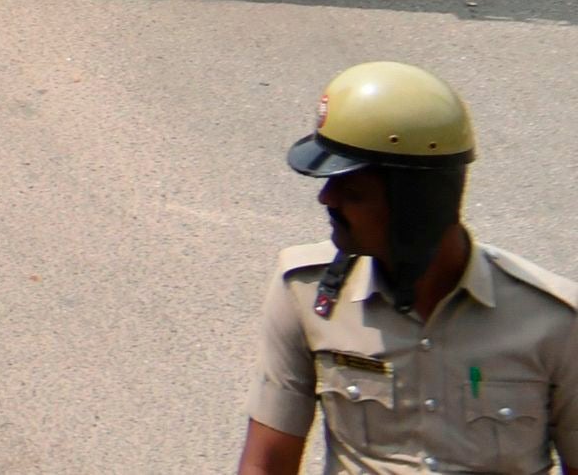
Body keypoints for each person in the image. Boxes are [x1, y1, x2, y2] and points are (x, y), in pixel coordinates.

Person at [239, 60, 578, 475]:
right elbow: (268, 463)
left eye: (352, 191)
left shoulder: (556, 321)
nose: (327, 199)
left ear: (417, 206)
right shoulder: (304, 292)